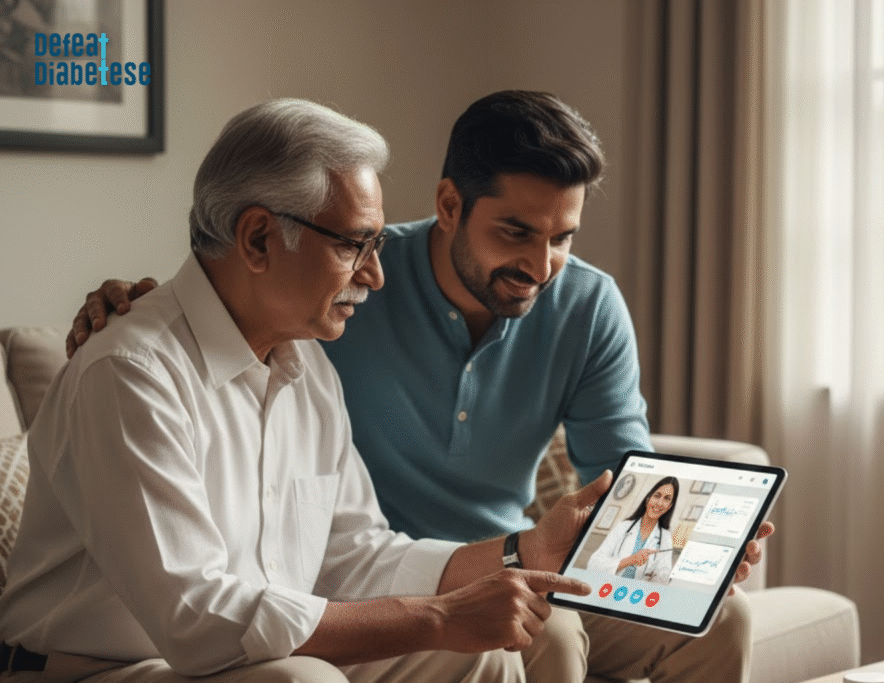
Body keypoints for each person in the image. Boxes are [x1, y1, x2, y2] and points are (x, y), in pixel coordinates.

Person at [68, 91, 772, 683]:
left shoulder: (306, 356)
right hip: (289, 617)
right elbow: (223, 294)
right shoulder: (306, 318)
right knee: (533, 636)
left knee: (718, 617)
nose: (542, 266)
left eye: (562, 238)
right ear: (449, 205)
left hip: (460, 564)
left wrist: (681, 549)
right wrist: (136, 311)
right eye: (516, 232)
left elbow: (617, 483)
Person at [0, 98, 610, 683]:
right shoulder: (131, 370)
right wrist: (437, 618)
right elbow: (195, 616)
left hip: (249, 659)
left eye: (376, 246)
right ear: (258, 238)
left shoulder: (307, 366)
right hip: (102, 667)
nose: (375, 275)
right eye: (353, 244)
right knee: (303, 678)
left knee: (481, 660)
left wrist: (526, 550)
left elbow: (354, 556)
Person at [587, 477, 678, 584]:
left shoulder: (666, 537)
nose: (660, 503)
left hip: (637, 592)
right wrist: (631, 560)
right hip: (608, 587)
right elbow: (594, 563)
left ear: (669, 506)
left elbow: (662, 579)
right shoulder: (623, 526)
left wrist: (664, 576)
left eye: (667, 499)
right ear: (648, 499)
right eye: (657, 496)